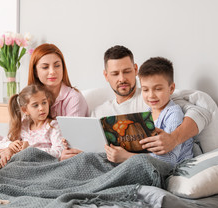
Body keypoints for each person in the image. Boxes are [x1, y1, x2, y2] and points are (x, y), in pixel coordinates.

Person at [62, 45, 210, 162]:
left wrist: (174, 138)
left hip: (140, 165)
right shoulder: (98, 111)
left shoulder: (151, 98)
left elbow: (202, 112)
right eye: (115, 73)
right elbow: (96, 152)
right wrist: (75, 151)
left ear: (135, 70)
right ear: (106, 76)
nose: (122, 79)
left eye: (127, 71)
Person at [113, 56, 193, 165]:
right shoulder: (148, 112)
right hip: (147, 164)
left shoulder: (173, 114)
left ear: (171, 89)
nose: (151, 95)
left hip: (169, 169)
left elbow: (169, 161)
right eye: (145, 90)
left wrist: (127, 157)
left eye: (158, 89)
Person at [0, 84, 65, 168]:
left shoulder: (53, 126)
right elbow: (1, 144)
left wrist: (30, 149)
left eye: (44, 102)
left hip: (42, 165)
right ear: (25, 110)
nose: (41, 108)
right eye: (36, 105)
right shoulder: (23, 125)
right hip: (22, 164)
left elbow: (59, 151)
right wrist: (10, 145)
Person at [28, 43, 89, 117]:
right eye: (45, 67)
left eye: (57, 66)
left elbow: (71, 128)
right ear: (35, 72)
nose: (52, 72)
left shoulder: (74, 98)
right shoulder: (28, 98)